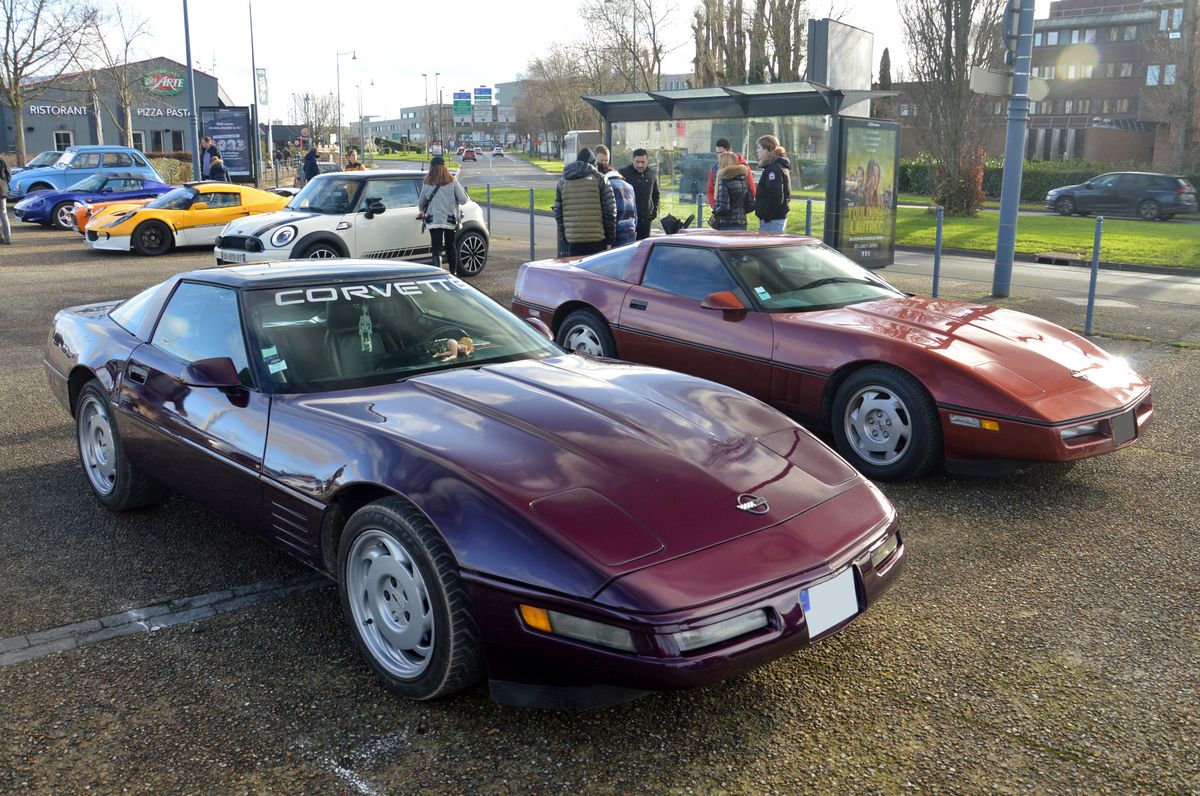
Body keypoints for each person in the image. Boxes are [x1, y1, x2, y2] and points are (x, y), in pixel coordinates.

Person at [553, 147, 616, 257]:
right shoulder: (600, 179)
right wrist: (610, 240)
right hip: (597, 239)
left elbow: (558, 212)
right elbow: (610, 211)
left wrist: (566, 235)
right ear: (593, 163)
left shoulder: (563, 181)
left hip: (573, 240)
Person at [418, 155, 469, 275]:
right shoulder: (452, 181)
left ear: (432, 167)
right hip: (450, 220)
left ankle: (438, 274)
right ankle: (453, 273)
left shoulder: (427, 182)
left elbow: (421, 204)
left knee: (436, 248)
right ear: (444, 166)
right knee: (451, 246)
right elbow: (463, 200)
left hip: (434, 220)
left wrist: (423, 209)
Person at [594, 145, 637, 247]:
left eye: (605, 161)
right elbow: (635, 213)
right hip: (630, 231)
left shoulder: (606, 186)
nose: (603, 163)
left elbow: (608, 213)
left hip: (615, 234)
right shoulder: (629, 186)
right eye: (601, 161)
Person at [619, 148, 659, 240]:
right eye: (637, 162)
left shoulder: (651, 174)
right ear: (632, 160)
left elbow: (655, 194)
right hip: (629, 220)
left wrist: (654, 212)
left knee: (644, 245)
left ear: (647, 161)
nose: (640, 165)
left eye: (643, 162)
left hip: (646, 219)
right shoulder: (624, 173)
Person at [753, 134, 791, 232]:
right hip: (773, 218)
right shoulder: (776, 166)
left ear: (767, 150)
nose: (757, 150)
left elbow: (776, 195)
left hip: (772, 220)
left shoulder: (773, 168)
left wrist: (766, 215)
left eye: (759, 147)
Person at [706, 138, 755, 210]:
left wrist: (741, 210)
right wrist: (715, 207)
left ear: (730, 151)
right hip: (721, 211)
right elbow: (710, 190)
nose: (719, 156)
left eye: (721, 153)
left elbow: (751, 190)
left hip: (738, 211)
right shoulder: (715, 169)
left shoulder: (743, 168)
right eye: (717, 153)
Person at [710, 151, 753, 231]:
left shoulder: (724, 181)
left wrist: (715, 211)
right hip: (741, 223)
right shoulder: (743, 180)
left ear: (723, 164)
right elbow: (751, 205)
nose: (718, 165)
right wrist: (739, 212)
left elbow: (724, 208)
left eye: (720, 163)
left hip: (727, 224)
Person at [0, 157, 11, 245]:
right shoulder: (2, 160)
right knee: (3, 214)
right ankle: (7, 239)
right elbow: (9, 175)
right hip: (2, 190)